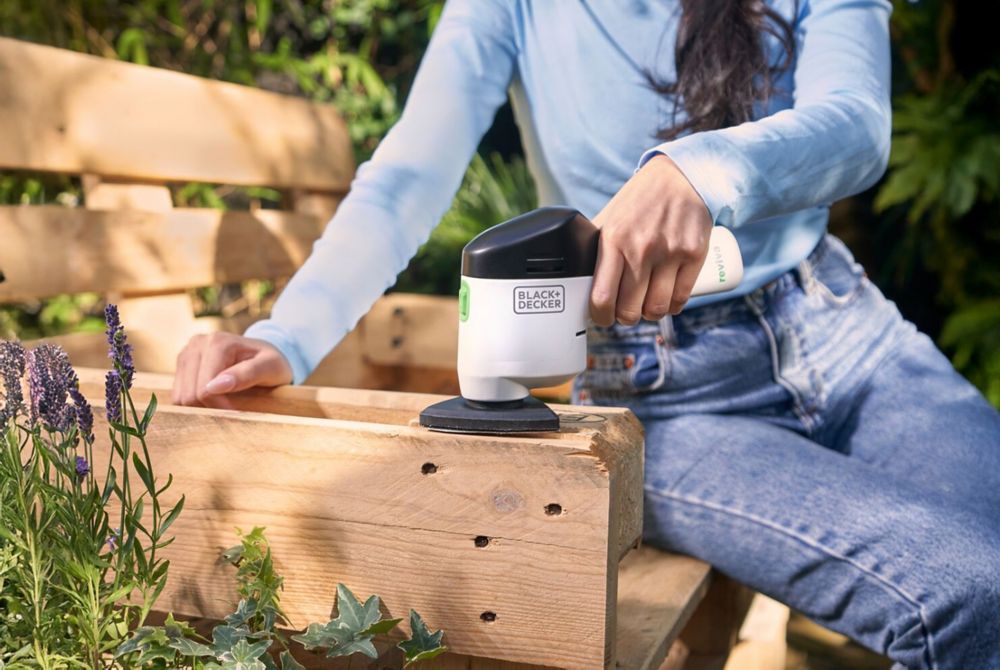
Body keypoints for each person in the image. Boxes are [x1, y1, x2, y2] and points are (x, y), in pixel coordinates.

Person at [172, 1, 1000, 666]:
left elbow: (857, 124)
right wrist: (286, 335)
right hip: (669, 404)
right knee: (970, 593)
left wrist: (699, 172)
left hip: (850, 333)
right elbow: (408, 177)